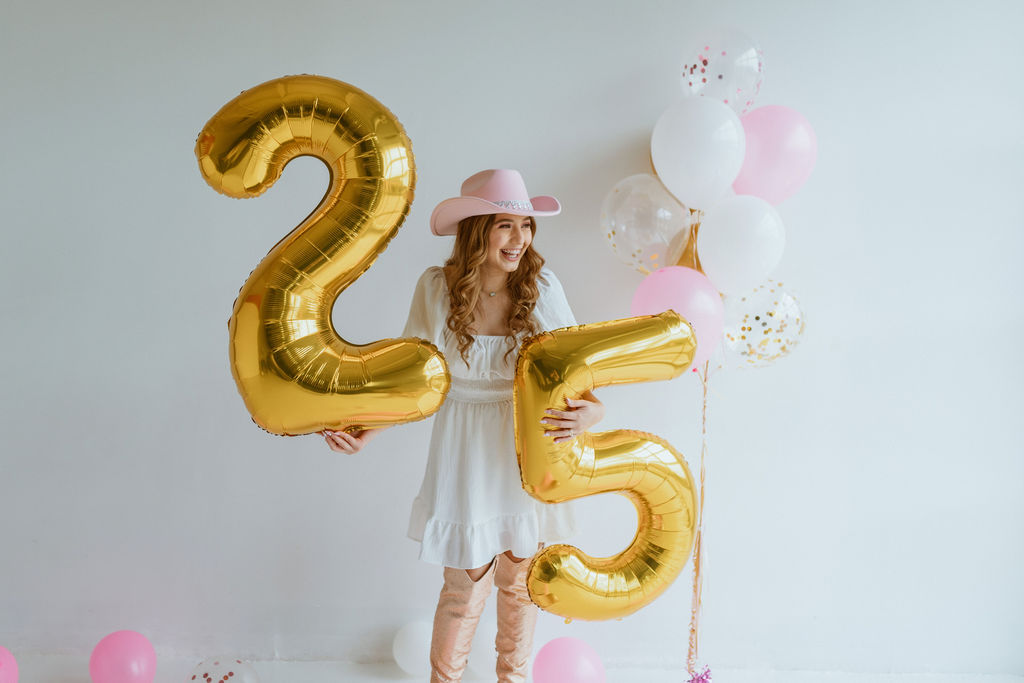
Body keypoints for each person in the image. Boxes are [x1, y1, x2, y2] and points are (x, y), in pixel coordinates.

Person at [322, 169, 604, 682]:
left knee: (521, 584)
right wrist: (366, 432)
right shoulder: (436, 287)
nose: (520, 240)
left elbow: (576, 366)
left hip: (525, 443)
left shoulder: (541, 287)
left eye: (527, 227)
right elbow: (412, 379)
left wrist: (594, 410)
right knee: (464, 585)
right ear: (477, 230)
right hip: (464, 446)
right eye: (505, 226)